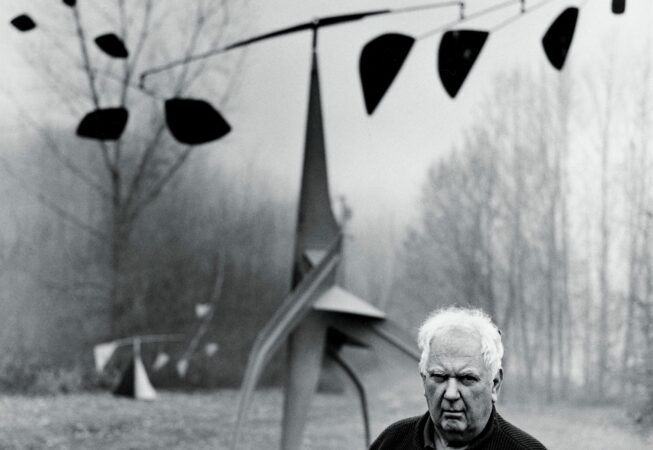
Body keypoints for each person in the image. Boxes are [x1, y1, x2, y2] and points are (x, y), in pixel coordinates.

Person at [370, 307, 547, 449]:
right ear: (424, 381)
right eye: (439, 376)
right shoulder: (392, 442)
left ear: (495, 384)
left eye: (467, 378)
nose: (451, 394)